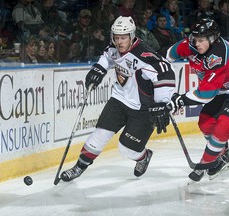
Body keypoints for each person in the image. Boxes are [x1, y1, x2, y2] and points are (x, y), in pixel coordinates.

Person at [60, 16, 176, 182]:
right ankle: (79, 167)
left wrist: (162, 102)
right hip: (119, 99)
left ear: (132, 36)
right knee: (100, 135)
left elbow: (166, 73)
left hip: (143, 109)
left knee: (126, 149)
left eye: (123, 38)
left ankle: (143, 157)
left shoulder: (144, 55)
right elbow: (108, 55)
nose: (119, 42)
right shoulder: (115, 47)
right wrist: (99, 68)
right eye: (116, 37)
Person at [149, 18, 229, 182]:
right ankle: (223, 156)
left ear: (213, 39)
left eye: (202, 40)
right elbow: (164, 58)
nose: (197, 43)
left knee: (223, 127)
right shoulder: (189, 45)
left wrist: (176, 102)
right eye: (195, 39)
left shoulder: (218, 56)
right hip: (224, 87)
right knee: (205, 122)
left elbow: (206, 95)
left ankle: (207, 162)